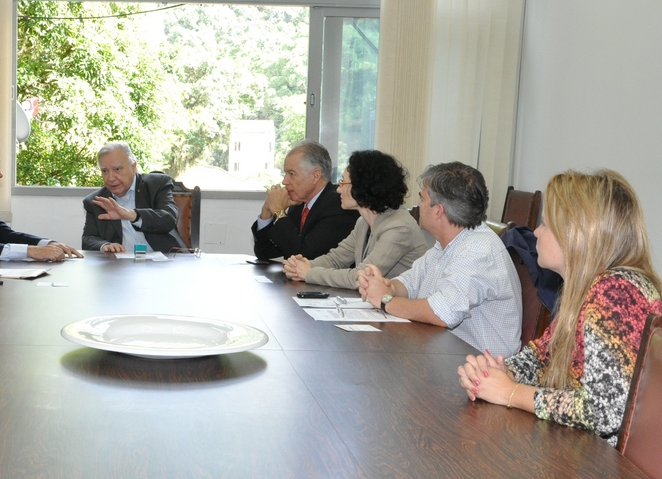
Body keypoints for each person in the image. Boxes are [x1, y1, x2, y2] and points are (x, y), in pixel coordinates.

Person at [458, 170, 662, 445]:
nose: (536, 232)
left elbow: (606, 410)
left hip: (617, 476)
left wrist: (511, 393)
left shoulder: (615, 291)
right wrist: (499, 372)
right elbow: (543, 355)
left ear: (577, 234)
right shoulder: (588, 288)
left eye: (545, 224)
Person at [357, 161, 522, 357]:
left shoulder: (478, 250)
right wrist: (386, 287)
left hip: (483, 372)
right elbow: (412, 281)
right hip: (449, 356)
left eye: (423, 199)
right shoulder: (449, 242)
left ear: (438, 210)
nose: (419, 206)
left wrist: (385, 300)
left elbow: (442, 313)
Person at [284, 150, 427, 288]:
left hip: (399, 308)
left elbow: (361, 277)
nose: (338, 189)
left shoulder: (399, 227)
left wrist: (309, 273)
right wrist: (302, 266)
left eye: (343, 183)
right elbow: (336, 259)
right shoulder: (363, 222)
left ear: (364, 187)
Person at [251, 141, 358, 260]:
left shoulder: (338, 205)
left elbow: (303, 256)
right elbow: (265, 252)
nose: (284, 181)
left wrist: (279, 211)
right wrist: (267, 210)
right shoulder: (299, 204)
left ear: (315, 175)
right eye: (285, 174)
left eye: (292, 174)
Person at [82, 142, 186, 253]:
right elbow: (88, 239)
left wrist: (131, 215)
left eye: (117, 169)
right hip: (121, 265)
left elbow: (168, 219)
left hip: (163, 260)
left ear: (133, 167)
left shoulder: (156, 185)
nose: (110, 178)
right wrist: (105, 245)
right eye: (105, 171)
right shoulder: (97, 201)